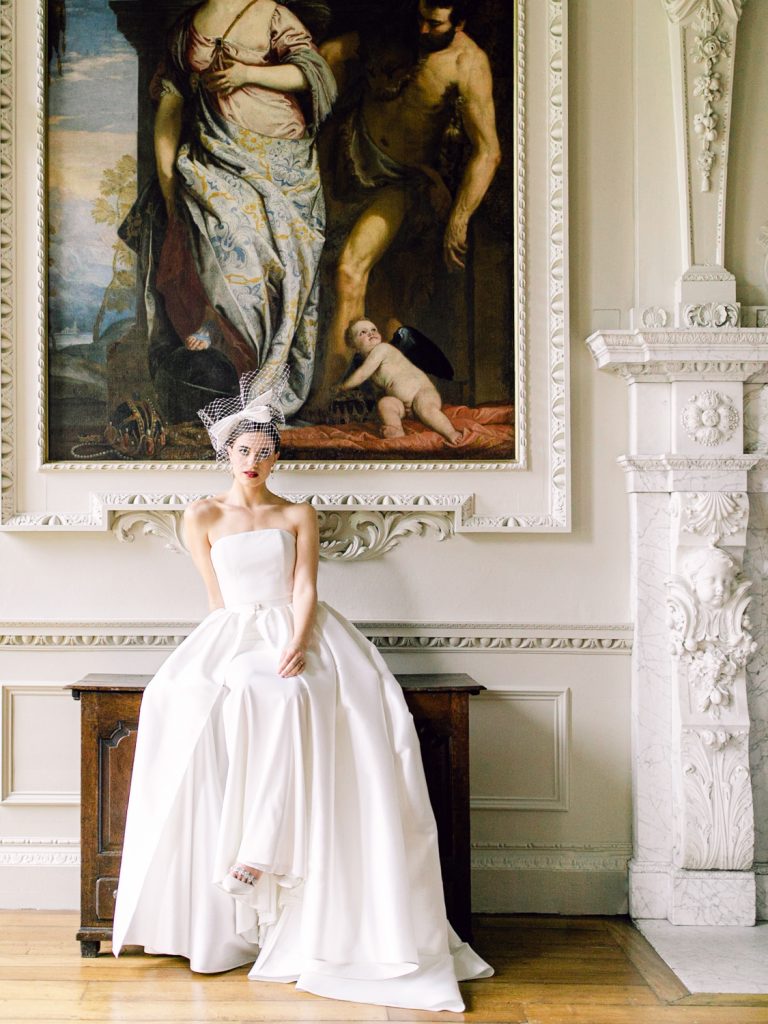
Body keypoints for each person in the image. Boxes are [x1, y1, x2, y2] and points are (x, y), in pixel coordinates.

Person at [112, 368, 493, 1011]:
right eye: (244, 450)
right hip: (235, 631)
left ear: (277, 455)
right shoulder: (200, 513)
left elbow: (305, 586)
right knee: (187, 701)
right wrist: (229, 647)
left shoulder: (296, 512)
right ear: (225, 453)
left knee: (293, 695)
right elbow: (214, 594)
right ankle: (234, 870)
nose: (255, 461)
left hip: (296, 630)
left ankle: (258, 853)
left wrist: (295, 638)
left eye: (265, 451)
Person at [120, 0, 337, 422]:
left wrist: (246, 73)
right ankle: (224, 347)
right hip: (214, 153)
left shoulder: (271, 13)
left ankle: (260, 388)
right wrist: (167, 182)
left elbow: (313, 73)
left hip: (284, 163)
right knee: (223, 243)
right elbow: (171, 100)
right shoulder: (186, 28)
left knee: (282, 273)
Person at [314, 0, 501, 395]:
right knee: (318, 271)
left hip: (400, 183)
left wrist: (459, 218)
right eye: (419, 18)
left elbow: (488, 151)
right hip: (341, 158)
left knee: (349, 269)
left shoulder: (468, 63)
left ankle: (331, 397)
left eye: (434, 24)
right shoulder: (394, 31)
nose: (421, 31)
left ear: (460, 22)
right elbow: (328, 55)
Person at [340, 318, 462, 443]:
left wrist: (341, 388)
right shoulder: (368, 363)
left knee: (425, 410)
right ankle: (396, 429)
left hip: (422, 394)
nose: (370, 333)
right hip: (404, 407)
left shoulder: (382, 349)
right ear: (354, 346)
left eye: (373, 329)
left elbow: (361, 375)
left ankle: (450, 432)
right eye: (363, 332)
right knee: (385, 403)